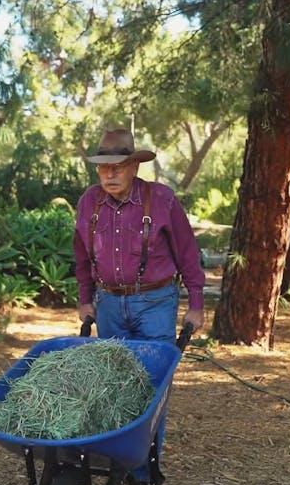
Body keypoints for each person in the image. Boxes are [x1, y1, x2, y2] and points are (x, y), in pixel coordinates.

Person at [74, 127, 205, 343]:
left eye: (118, 167)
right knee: (115, 374)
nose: (109, 174)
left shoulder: (162, 199)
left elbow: (187, 254)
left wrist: (196, 305)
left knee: (154, 371)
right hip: (107, 305)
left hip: (155, 303)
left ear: (134, 167)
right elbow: (82, 258)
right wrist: (85, 300)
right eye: (103, 167)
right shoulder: (89, 202)